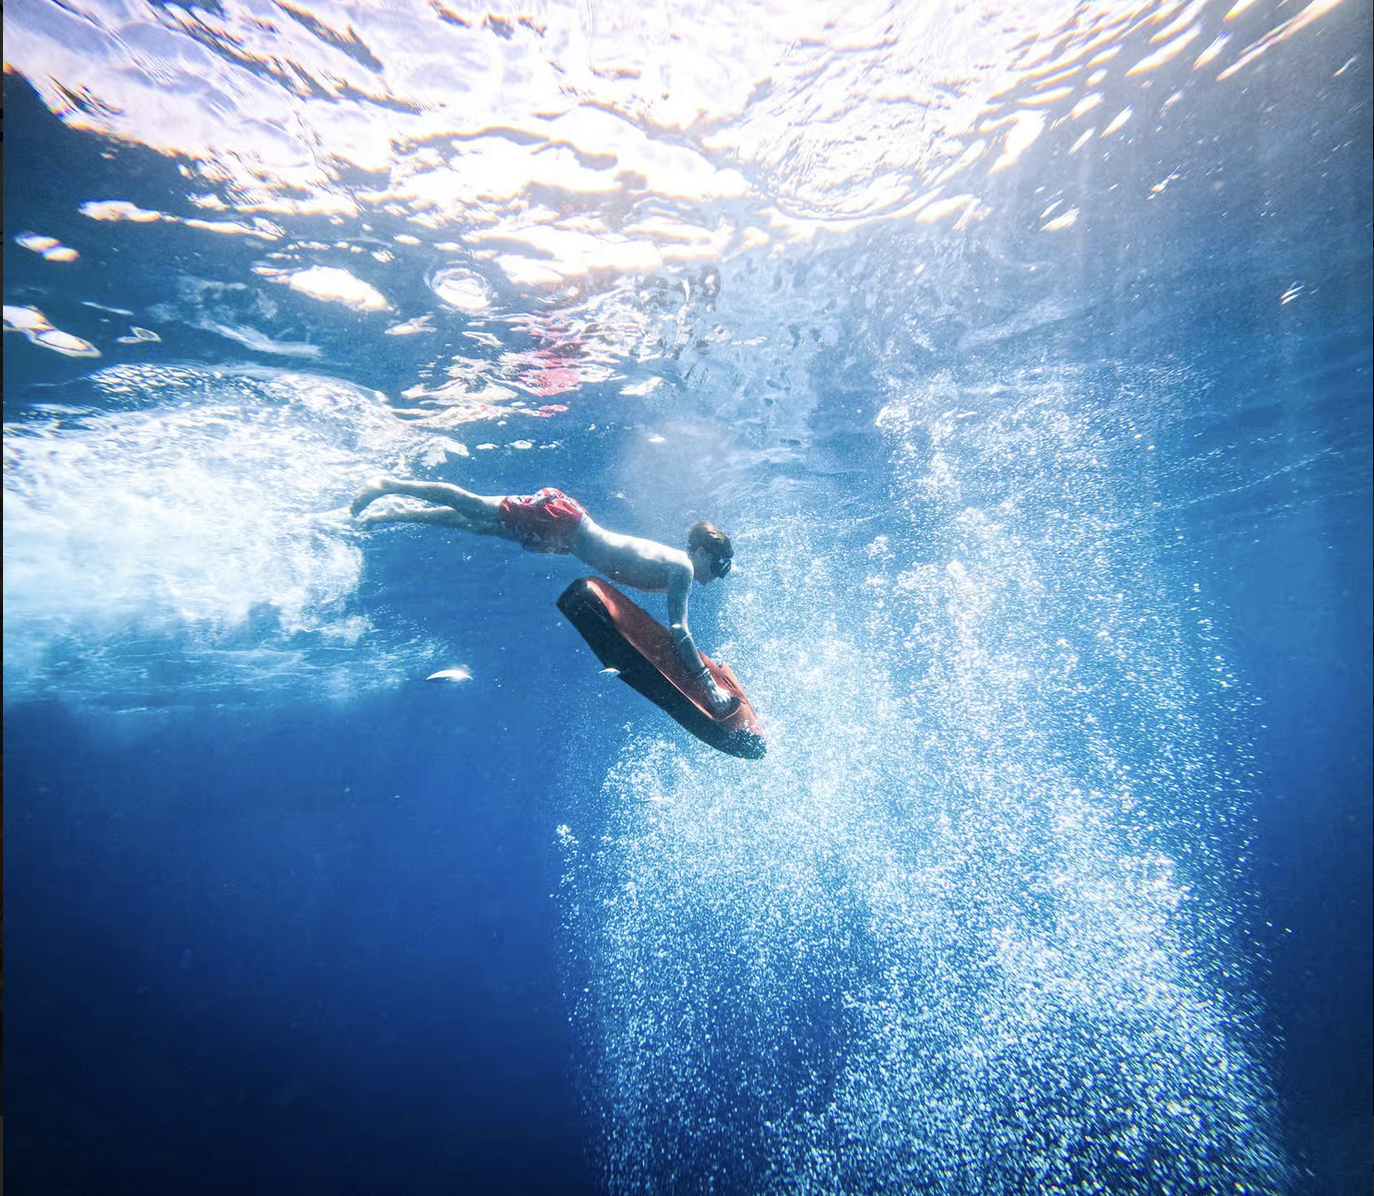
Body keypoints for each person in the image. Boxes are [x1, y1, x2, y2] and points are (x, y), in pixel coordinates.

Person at [350, 479, 739, 716]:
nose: (716, 576)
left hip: (563, 538)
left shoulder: (676, 568)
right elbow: (678, 630)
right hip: (563, 521)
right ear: (702, 553)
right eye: (718, 566)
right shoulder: (683, 567)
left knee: (477, 525)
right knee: (474, 506)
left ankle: (396, 513)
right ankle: (389, 485)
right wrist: (708, 685)